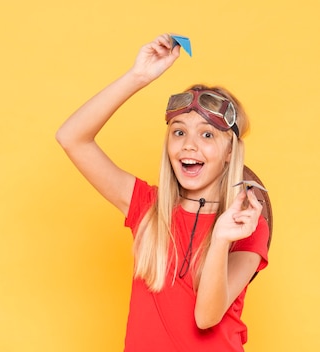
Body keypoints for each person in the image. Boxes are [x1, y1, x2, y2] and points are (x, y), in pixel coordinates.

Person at [55, 34, 269, 351]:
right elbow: (71, 137)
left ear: (229, 152)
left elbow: (206, 318)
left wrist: (221, 238)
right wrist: (137, 77)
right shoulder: (146, 206)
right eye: (179, 132)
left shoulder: (247, 227)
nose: (188, 145)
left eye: (207, 134)